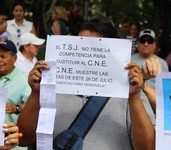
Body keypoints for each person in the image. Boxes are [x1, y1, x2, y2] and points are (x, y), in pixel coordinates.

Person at [17, 17, 160, 149]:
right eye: (81, 46)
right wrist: (36, 93)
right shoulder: (54, 86)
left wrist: (134, 97)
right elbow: (23, 138)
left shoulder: (131, 91)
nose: (86, 54)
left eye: (96, 49)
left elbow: (147, 147)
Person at [131, 28, 168, 125]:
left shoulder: (163, 63)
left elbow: (165, 90)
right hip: (131, 105)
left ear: (155, 44)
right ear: (138, 43)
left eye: (150, 41)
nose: (146, 44)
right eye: (143, 40)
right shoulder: (128, 59)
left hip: (153, 107)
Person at [0, 39, 31, 150]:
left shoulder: (24, 81)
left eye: (3, 57)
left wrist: (16, 108)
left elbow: (33, 107)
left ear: (15, 58)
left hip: (13, 145)